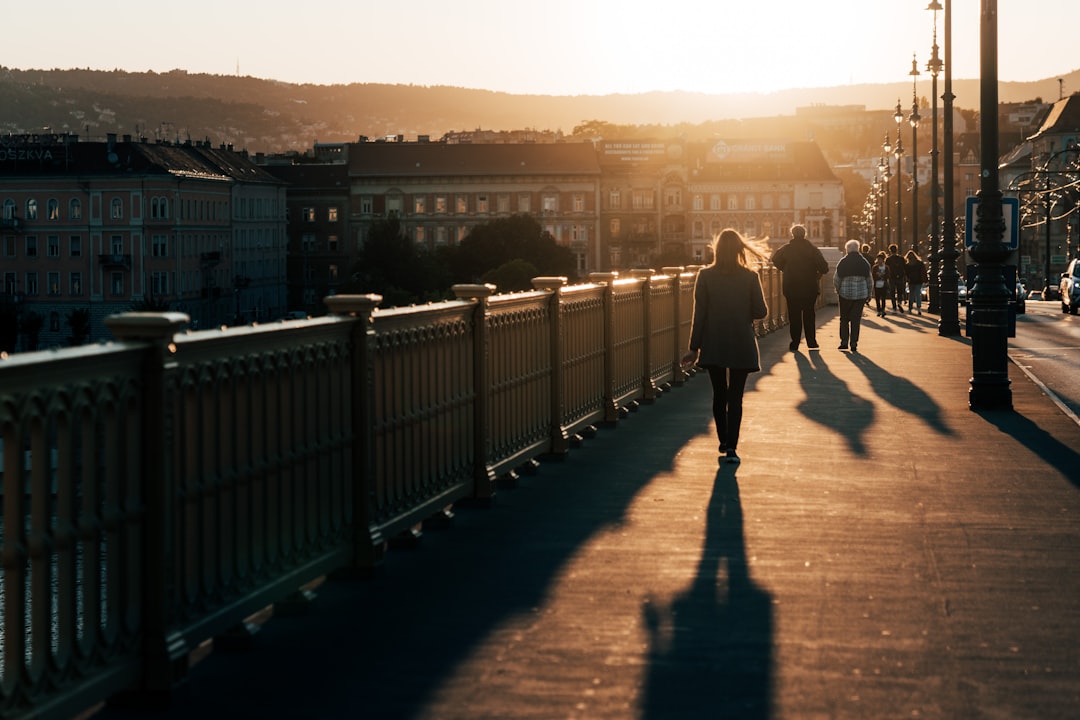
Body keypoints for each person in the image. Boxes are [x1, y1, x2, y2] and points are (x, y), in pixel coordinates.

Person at [682, 229, 768, 465]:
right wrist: (743, 311)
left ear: (716, 250)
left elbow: (699, 315)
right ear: (741, 249)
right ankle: (732, 446)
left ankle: (722, 439)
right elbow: (761, 311)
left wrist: (694, 348)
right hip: (741, 341)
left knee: (719, 394)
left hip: (713, 341)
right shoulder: (750, 277)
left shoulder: (705, 276)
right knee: (736, 397)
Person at [769, 224, 828, 351]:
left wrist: (785, 268)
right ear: (804, 234)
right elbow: (824, 267)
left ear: (793, 234)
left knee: (794, 315)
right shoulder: (812, 249)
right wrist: (817, 273)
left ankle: (795, 342)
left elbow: (775, 259)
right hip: (809, 287)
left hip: (791, 287)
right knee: (809, 314)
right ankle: (811, 342)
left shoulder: (786, 248)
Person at [834, 239, 873, 352]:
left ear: (847, 249)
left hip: (844, 294)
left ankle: (844, 342)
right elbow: (869, 280)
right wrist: (869, 293)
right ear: (858, 249)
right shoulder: (864, 262)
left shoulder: (843, 262)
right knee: (856, 319)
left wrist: (838, 289)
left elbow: (836, 279)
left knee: (844, 319)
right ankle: (854, 343)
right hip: (860, 295)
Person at [884, 244, 907, 314]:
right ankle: (899, 302)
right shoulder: (901, 259)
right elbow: (904, 268)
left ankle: (894, 307)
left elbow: (886, 269)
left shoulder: (888, 259)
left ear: (890, 250)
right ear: (896, 250)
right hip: (900, 277)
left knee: (892, 292)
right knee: (900, 292)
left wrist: (886, 277)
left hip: (891, 277)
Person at [904, 249, 927, 315]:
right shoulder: (919, 263)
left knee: (911, 295)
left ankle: (910, 308)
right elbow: (923, 272)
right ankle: (919, 308)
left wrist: (907, 280)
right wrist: (925, 280)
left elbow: (906, 274)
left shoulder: (907, 265)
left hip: (911, 281)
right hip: (919, 281)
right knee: (918, 294)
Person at [872, 252, 890, 317]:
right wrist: (878, 277)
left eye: (880, 259)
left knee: (883, 298)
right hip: (877, 284)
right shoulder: (875, 267)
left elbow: (888, 275)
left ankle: (883, 310)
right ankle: (879, 310)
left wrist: (882, 276)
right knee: (877, 298)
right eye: (878, 259)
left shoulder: (886, 267)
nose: (879, 261)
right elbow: (873, 275)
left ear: (883, 260)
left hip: (883, 284)